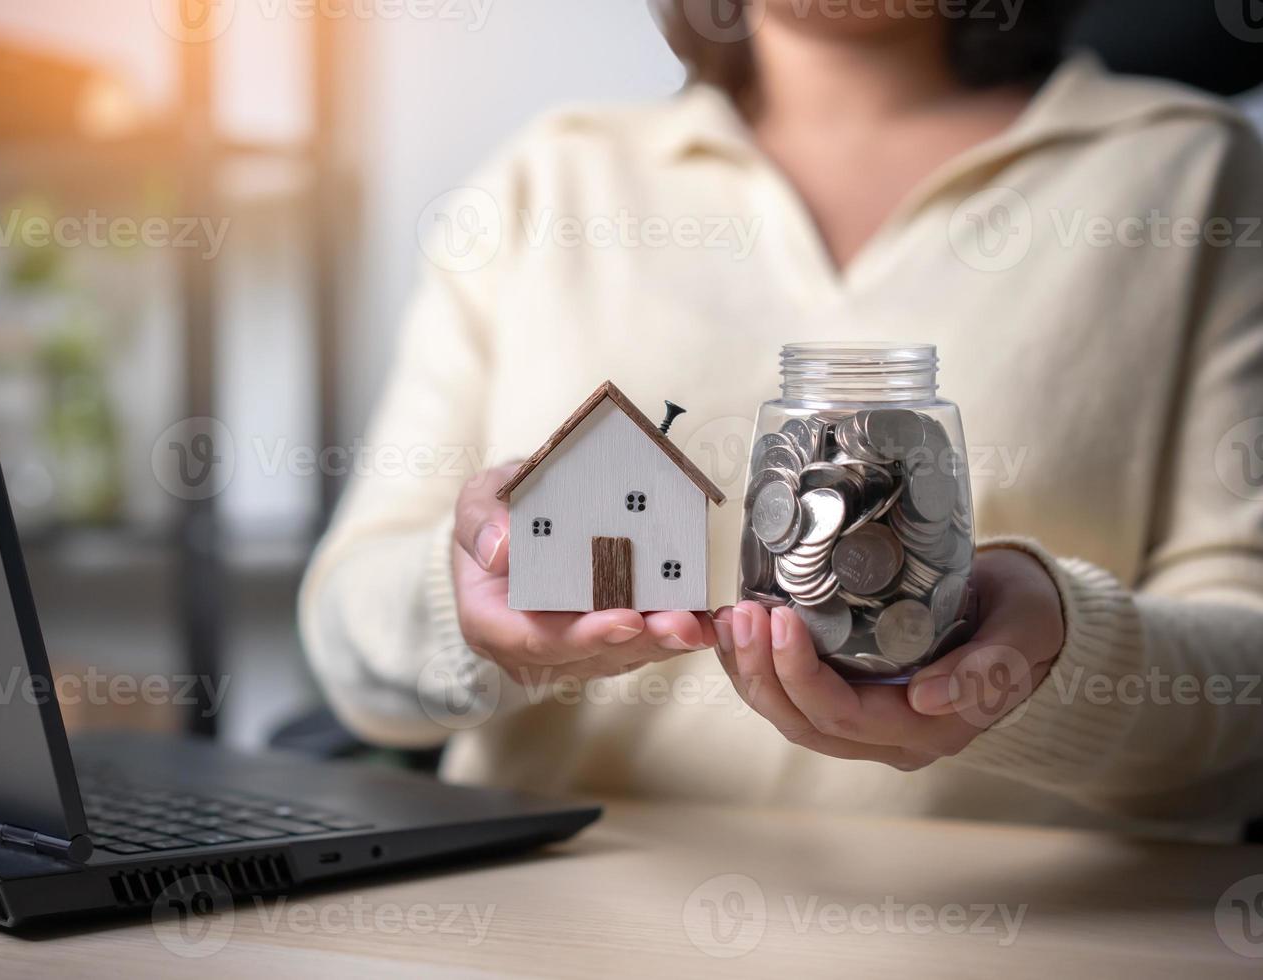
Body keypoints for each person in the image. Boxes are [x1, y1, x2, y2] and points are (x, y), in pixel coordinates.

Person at [299, 0, 1263, 839]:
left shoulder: (1191, 173)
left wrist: (1057, 645)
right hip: (557, 913)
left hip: (1048, 932)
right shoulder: (549, 179)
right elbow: (348, 638)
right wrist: (472, 610)